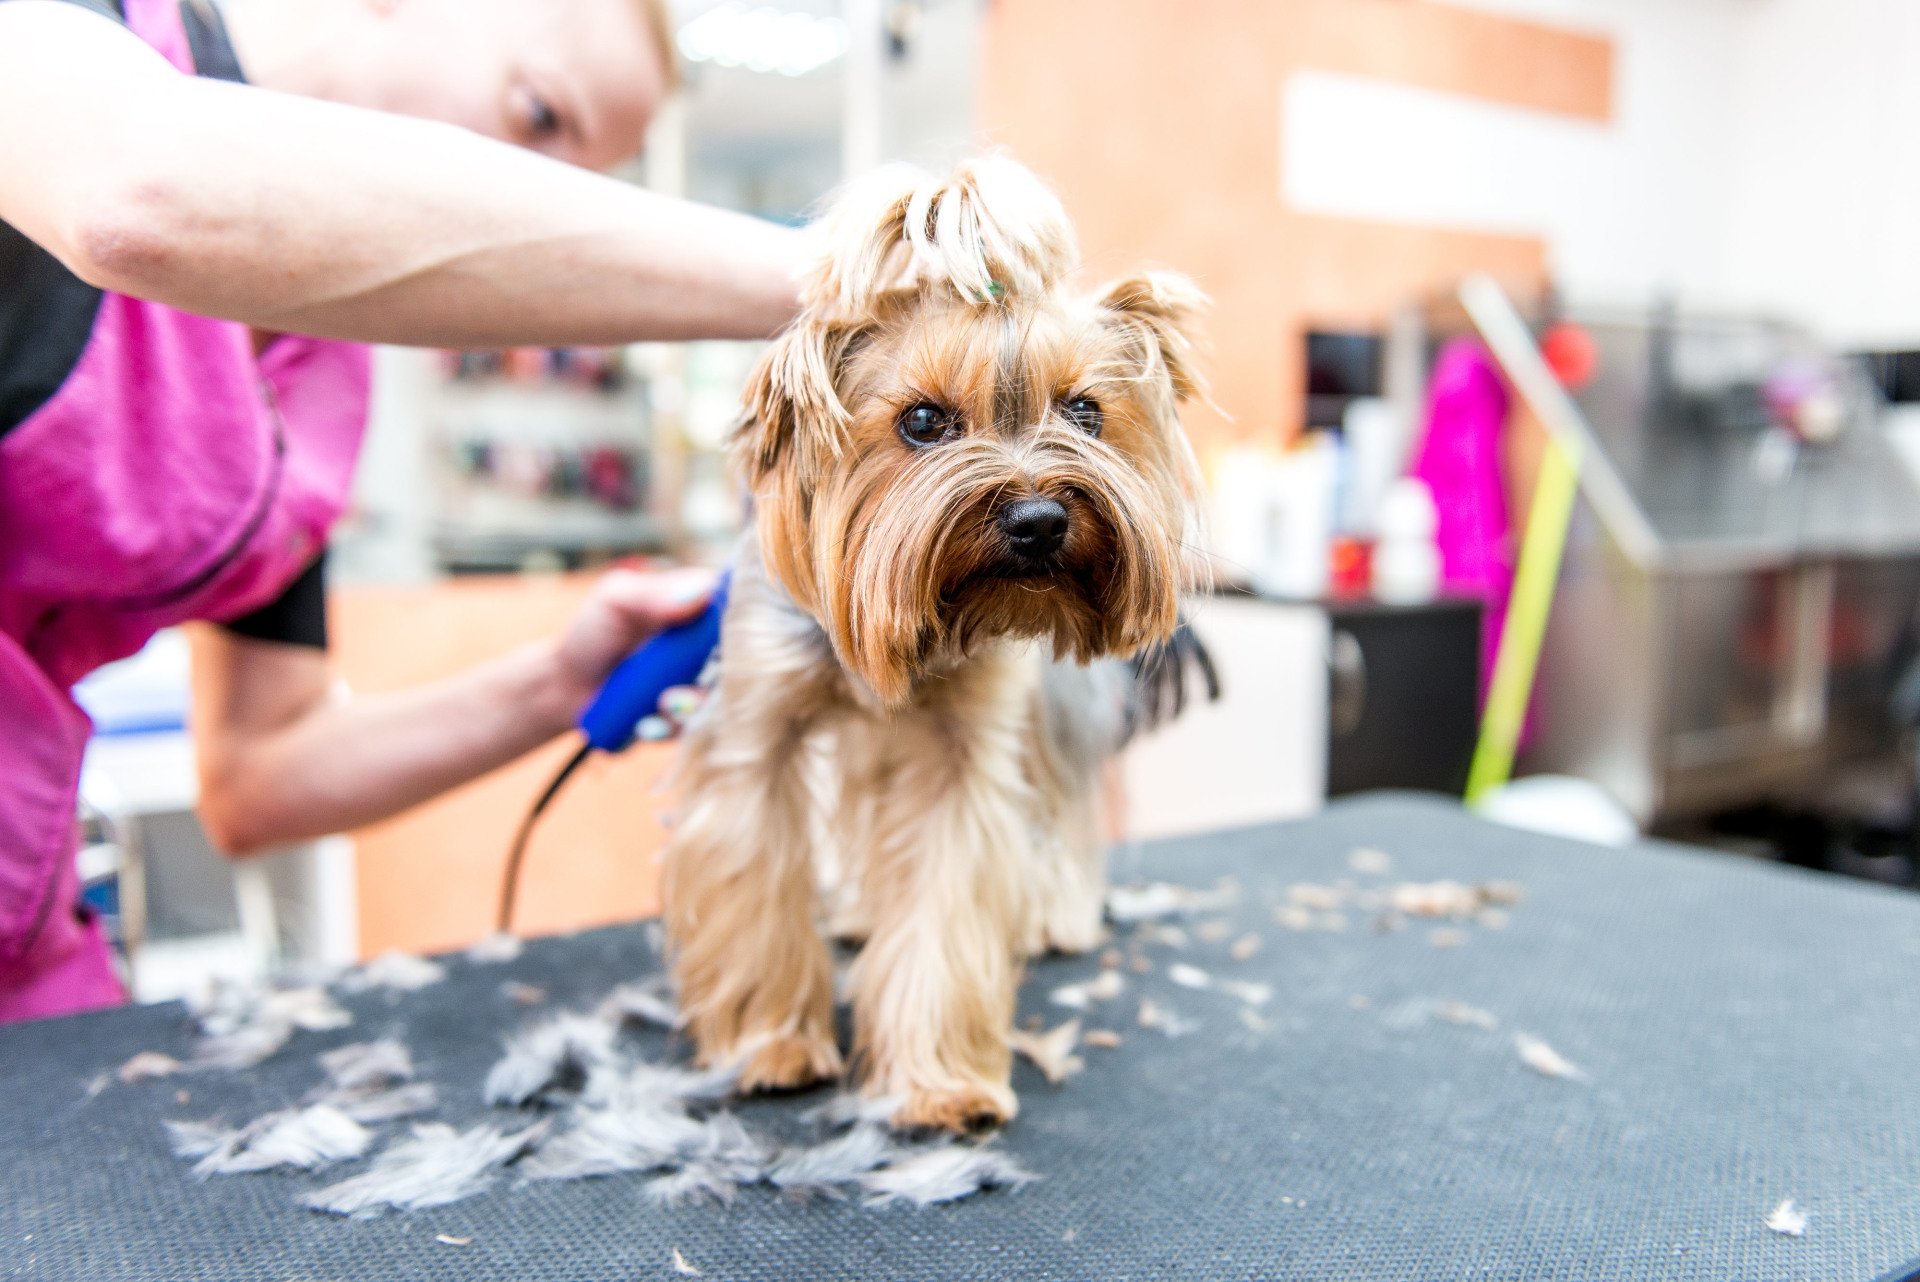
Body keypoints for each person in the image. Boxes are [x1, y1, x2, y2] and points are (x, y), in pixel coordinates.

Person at [0, 0, 804, 1022]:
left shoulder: (315, 384)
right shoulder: (72, 36)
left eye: (589, 180)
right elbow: (135, 192)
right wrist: (832, 274)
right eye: (539, 117)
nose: (548, 199)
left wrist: (557, 681)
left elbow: (258, 777)